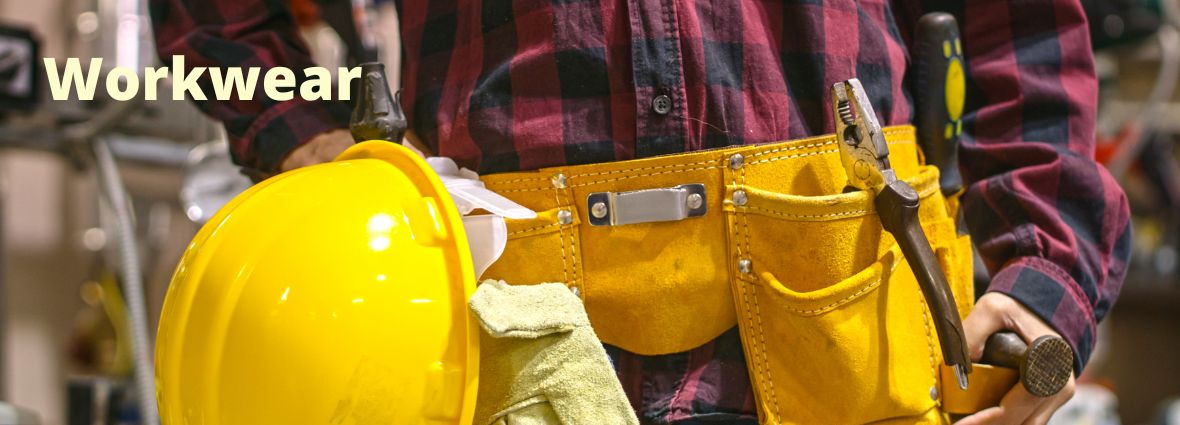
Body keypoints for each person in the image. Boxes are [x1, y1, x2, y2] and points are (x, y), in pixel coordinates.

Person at [150, 1, 1131, 423]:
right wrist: (305, 137)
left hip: (847, 349)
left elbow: (1022, 33)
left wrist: (1043, 268)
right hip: (510, 338)